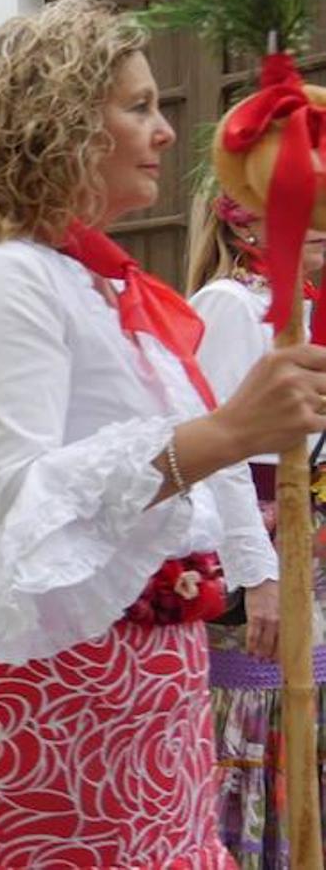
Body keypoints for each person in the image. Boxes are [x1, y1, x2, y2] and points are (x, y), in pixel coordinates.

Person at [0, 0, 326, 867]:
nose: (165, 129)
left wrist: (251, 553)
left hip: (133, 684)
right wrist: (230, 431)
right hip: (45, 680)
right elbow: (20, 500)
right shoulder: (2, 278)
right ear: (58, 124)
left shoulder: (91, 281)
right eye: (137, 106)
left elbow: (178, 459)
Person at [186, 190, 326, 867]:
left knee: (303, 698)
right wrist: (258, 576)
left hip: (307, 533)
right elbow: (221, 453)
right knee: (255, 700)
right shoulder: (230, 306)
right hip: (257, 541)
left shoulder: (300, 310)